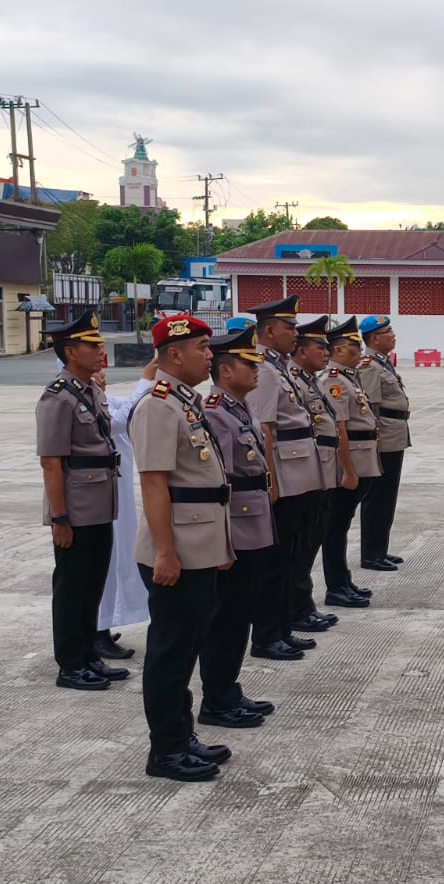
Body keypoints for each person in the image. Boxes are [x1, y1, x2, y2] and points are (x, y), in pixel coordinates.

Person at [130, 313, 235, 782]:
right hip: (177, 549)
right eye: (202, 348)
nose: (209, 356)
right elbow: (154, 483)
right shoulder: (157, 406)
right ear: (174, 354)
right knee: (170, 652)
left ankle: (182, 733)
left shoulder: (183, 401)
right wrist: (166, 552)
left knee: (188, 646)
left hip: (200, 543)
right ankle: (166, 750)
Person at [36, 311, 127, 691]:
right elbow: (51, 463)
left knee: (92, 585)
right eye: (92, 346)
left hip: (100, 504)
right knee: (72, 589)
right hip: (75, 510)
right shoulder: (57, 398)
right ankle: (71, 664)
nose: (101, 351)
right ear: (70, 352)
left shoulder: (90, 390)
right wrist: (60, 519)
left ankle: (90, 654)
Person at [244, 296, 334, 661]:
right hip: (285, 475)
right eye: (289, 327)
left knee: (290, 558)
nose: (295, 334)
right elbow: (265, 428)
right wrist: (270, 480)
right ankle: (267, 636)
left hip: (300, 473)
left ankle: (282, 629)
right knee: (276, 563)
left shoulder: (278, 368)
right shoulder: (265, 370)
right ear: (268, 331)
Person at [198, 328, 277, 728]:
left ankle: (228, 689)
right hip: (237, 526)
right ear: (226, 370)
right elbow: (220, 482)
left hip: (254, 520)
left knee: (240, 614)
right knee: (226, 617)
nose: (256, 370)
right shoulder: (215, 411)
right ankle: (217, 700)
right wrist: (223, 541)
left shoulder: (238, 408)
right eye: (249, 364)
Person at [93, 355, 160, 661]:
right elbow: (120, 419)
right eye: (95, 372)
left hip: (114, 494)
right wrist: (147, 377)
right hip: (98, 498)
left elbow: (128, 407)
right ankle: (95, 631)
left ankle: (102, 626)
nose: (102, 376)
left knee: (116, 561)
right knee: (104, 566)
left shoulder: (102, 400)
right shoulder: (83, 401)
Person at [320, 316, 382, 605]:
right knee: (335, 527)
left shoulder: (348, 377)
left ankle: (344, 581)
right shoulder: (334, 380)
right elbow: (339, 429)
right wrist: (347, 469)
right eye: (354, 349)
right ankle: (335, 587)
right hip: (351, 461)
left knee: (343, 524)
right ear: (338, 350)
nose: (360, 353)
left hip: (362, 458)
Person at [357, 315, 411, 569]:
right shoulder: (369, 365)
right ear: (374, 338)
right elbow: (371, 408)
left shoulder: (382, 362)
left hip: (394, 435)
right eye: (388, 332)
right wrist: (373, 442)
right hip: (383, 439)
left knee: (387, 497)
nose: (393, 335)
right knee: (377, 498)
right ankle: (371, 554)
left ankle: (380, 549)